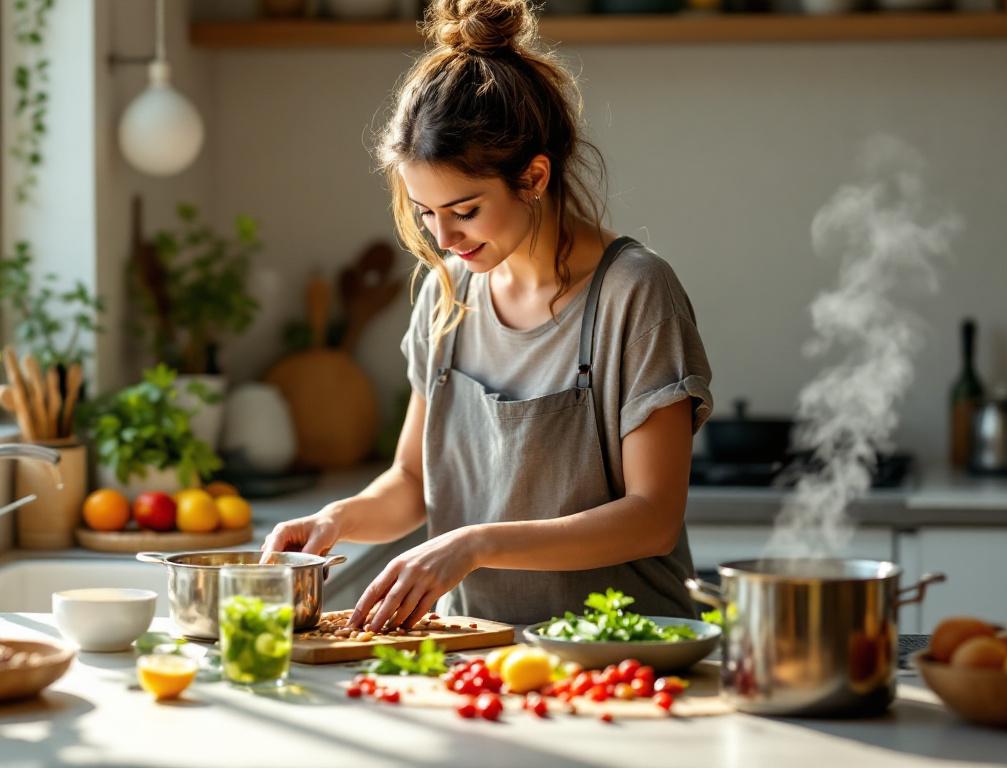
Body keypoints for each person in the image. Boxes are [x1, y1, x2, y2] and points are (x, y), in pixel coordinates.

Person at [261, 0, 713, 629]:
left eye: (465, 211)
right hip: (478, 655)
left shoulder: (635, 293)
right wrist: (340, 518)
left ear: (532, 177)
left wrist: (474, 544)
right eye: (425, 212)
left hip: (623, 658)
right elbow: (411, 480)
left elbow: (653, 518)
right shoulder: (446, 294)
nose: (443, 237)